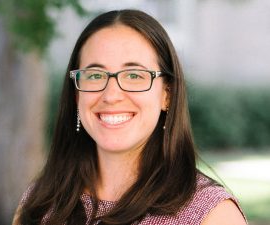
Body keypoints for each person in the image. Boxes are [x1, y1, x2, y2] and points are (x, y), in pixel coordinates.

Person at [13, 9, 247, 225]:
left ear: (168, 94)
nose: (111, 95)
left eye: (134, 75)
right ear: (76, 94)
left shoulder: (212, 214)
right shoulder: (39, 202)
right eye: (95, 76)